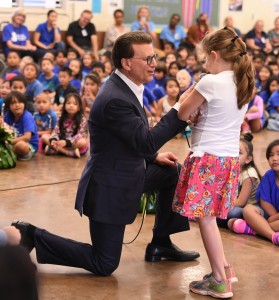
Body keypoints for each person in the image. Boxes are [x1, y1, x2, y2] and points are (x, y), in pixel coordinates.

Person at [11, 31, 199, 276]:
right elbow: (145, 142)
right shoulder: (115, 98)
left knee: (171, 171)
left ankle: (160, 244)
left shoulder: (128, 85)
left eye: (154, 57)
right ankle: (32, 235)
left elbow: (127, 138)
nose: (154, 63)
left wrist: (153, 158)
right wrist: (180, 109)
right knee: (105, 263)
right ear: (126, 63)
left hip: (129, 173)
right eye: (148, 59)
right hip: (109, 186)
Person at [172, 27, 254, 298]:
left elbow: (183, 111)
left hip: (208, 159)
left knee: (205, 220)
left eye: (206, 58)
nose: (205, 64)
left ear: (215, 55)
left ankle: (220, 280)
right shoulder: (242, 82)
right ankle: (224, 268)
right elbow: (216, 114)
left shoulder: (210, 81)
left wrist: (193, 104)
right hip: (228, 159)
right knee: (209, 218)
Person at [229, 139, 279, 249]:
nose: (274, 158)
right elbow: (264, 201)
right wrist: (273, 217)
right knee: (248, 209)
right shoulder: (269, 175)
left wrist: (273, 219)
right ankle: (274, 236)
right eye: (271, 155)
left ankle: (253, 228)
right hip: (271, 216)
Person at [219, 133, 260, 228]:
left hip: (247, 209)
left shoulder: (249, 174)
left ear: (248, 159)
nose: (234, 155)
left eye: (239, 152)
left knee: (233, 213)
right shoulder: (228, 169)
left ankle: (245, 224)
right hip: (231, 204)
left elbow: (241, 203)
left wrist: (220, 204)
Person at [43, 93, 88, 158]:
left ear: (79, 108)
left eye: (75, 104)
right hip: (60, 141)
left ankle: (57, 150)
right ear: (64, 106)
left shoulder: (82, 119)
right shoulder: (61, 117)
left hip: (72, 143)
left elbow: (80, 134)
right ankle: (67, 152)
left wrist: (67, 142)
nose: (71, 106)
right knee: (44, 137)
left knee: (83, 142)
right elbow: (56, 131)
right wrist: (54, 140)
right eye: (68, 103)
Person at [3, 91, 38, 160]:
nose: (17, 105)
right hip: (11, 144)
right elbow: (4, 131)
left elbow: (27, 137)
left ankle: (9, 155)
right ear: (8, 106)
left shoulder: (27, 116)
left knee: (20, 145)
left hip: (28, 146)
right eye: (13, 103)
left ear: (24, 104)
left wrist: (10, 141)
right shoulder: (8, 115)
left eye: (20, 102)